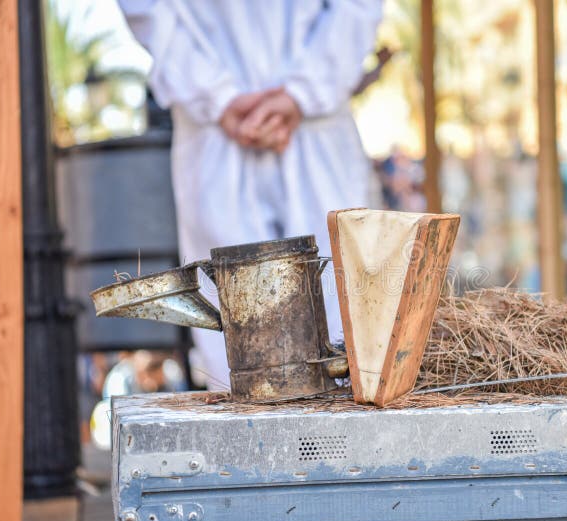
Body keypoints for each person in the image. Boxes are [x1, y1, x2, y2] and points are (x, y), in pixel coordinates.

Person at [119, 1, 382, 389]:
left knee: (341, 315)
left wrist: (296, 96)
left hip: (304, 129)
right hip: (221, 133)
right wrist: (222, 99)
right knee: (231, 335)